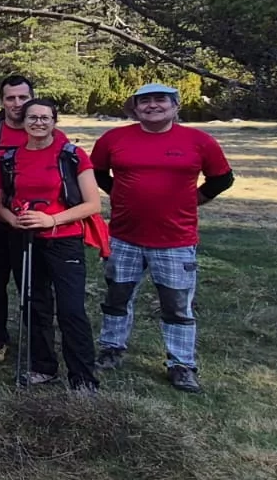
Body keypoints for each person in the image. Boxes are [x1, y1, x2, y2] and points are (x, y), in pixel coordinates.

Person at [92, 83, 233, 394]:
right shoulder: (114, 139)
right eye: (145, 101)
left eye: (160, 100)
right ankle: (111, 348)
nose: (152, 106)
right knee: (116, 297)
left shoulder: (199, 141)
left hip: (176, 239)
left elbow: (223, 178)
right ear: (135, 107)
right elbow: (97, 172)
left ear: (175, 106)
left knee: (176, 305)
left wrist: (195, 199)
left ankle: (181, 364)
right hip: (124, 236)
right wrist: (118, 193)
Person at [0, 98, 102, 391]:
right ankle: (43, 367)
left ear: (55, 121)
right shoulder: (9, 158)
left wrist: (50, 220)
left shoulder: (72, 155)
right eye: (32, 117)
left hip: (63, 240)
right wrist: (10, 219)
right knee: (34, 305)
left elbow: (93, 204)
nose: (38, 122)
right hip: (24, 239)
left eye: (45, 117)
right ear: (23, 121)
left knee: (71, 309)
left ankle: (82, 377)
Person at [0, 74, 67, 362]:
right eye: (10, 98)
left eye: (22, 97)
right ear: (1, 101)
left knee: (35, 288)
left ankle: (40, 345)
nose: (16, 103)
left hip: (37, 225)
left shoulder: (51, 135)